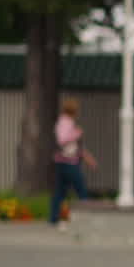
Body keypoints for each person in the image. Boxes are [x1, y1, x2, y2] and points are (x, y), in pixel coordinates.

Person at [49, 97, 98, 229]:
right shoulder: (66, 122)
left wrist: (88, 158)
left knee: (60, 191)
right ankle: (86, 216)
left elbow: (77, 146)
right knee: (80, 188)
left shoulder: (64, 122)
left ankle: (54, 218)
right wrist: (76, 133)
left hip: (64, 160)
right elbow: (62, 139)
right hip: (68, 161)